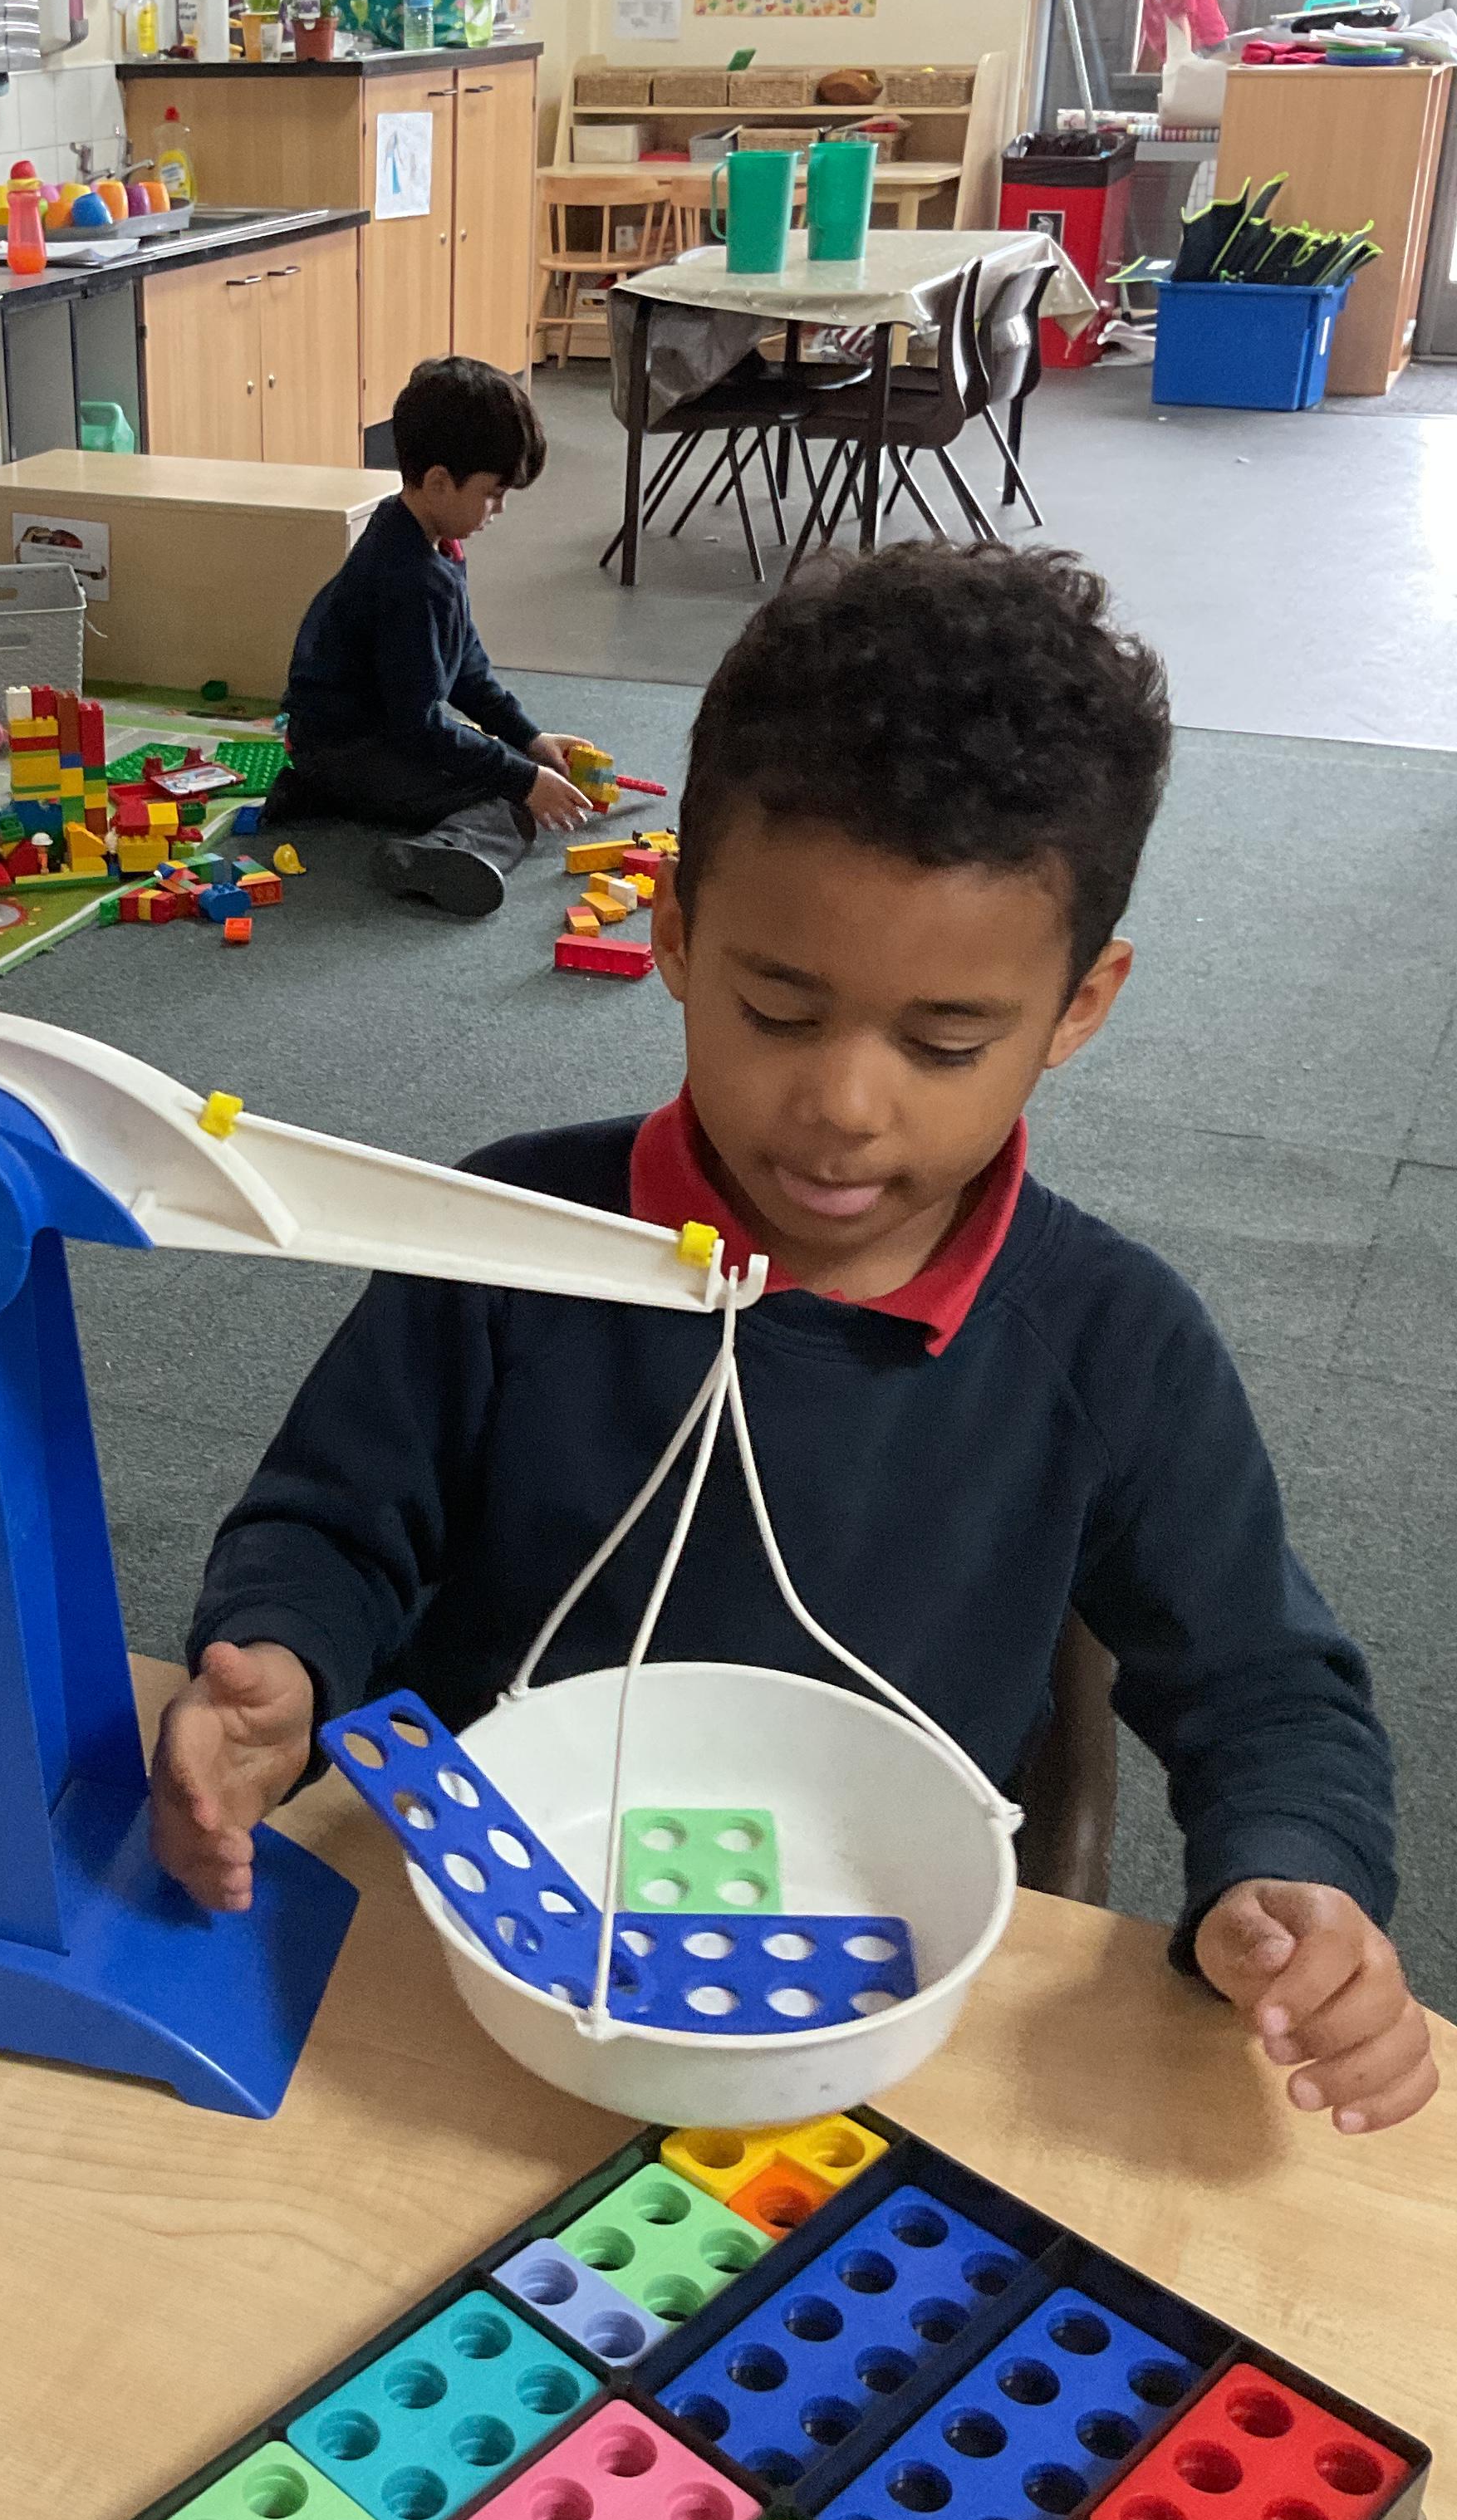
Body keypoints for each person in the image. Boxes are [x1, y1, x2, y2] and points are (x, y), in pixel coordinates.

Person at [154, 542, 1432, 2137]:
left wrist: (1292, 1881)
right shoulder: (500, 1243)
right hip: (462, 1983)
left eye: (942, 1041)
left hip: (872, 2037)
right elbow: (330, 1525)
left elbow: (1268, 1691)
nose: (841, 1105)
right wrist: (277, 1658)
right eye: (776, 1009)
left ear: (1076, 1005)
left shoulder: (1110, 1345)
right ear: (676, 933)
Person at [263, 355, 599, 918]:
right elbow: (418, 727)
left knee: (501, 765)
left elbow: (466, 666)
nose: (499, 509)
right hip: (351, 748)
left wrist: (527, 739)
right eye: (492, 493)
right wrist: (523, 780)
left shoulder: (431, 542)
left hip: (355, 738)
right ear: (440, 482)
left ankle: (319, 793)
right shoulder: (409, 579)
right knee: (508, 802)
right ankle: (435, 852)